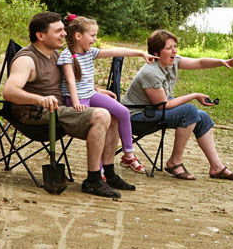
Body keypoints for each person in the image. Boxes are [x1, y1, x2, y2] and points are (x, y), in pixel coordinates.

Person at [3, 12, 135, 198]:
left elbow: (71, 81)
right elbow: (9, 91)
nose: (65, 34)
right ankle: (93, 180)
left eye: (64, 30)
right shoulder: (27, 59)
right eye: (58, 31)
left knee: (112, 114)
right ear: (40, 36)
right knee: (101, 115)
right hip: (36, 113)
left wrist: (96, 89)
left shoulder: (55, 54)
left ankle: (110, 174)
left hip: (58, 109)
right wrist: (39, 99)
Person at [122, 29, 233, 181]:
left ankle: (216, 167)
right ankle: (175, 162)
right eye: (169, 48)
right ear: (156, 53)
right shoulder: (150, 72)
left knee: (202, 116)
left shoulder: (171, 62)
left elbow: (198, 62)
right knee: (189, 110)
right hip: (136, 119)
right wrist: (193, 96)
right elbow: (163, 105)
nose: (174, 51)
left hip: (152, 111)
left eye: (175, 46)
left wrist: (221, 62)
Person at [59, 14, 158, 174]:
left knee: (122, 112)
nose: (95, 39)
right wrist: (76, 102)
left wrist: (140, 53)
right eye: (92, 35)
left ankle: (128, 154)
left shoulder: (90, 53)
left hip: (91, 94)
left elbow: (115, 51)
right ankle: (98, 170)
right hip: (76, 99)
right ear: (78, 36)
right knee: (97, 130)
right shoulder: (67, 56)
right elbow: (71, 82)